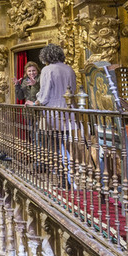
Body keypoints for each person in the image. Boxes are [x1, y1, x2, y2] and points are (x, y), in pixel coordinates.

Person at [34, 44, 77, 177]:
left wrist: (37, 101)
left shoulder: (48, 70)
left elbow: (45, 94)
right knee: (66, 142)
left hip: (53, 112)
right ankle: (69, 172)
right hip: (69, 110)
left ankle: (60, 172)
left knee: (52, 144)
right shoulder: (69, 69)